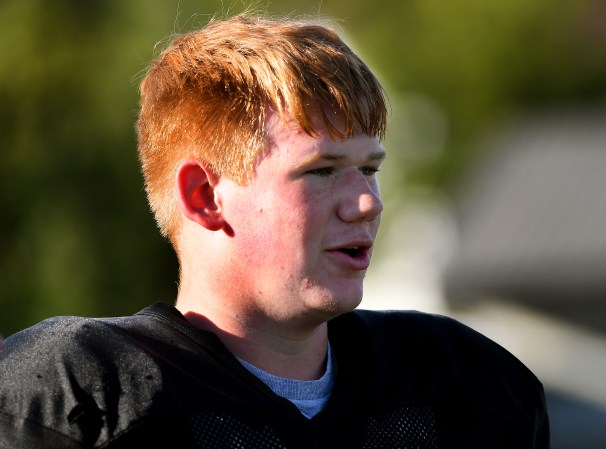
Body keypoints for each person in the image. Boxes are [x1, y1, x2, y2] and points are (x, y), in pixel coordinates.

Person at [0, 13, 549, 448]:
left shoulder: (464, 387)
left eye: (370, 169)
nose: (365, 202)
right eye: (321, 170)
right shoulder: (82, 401)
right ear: (205, 198)